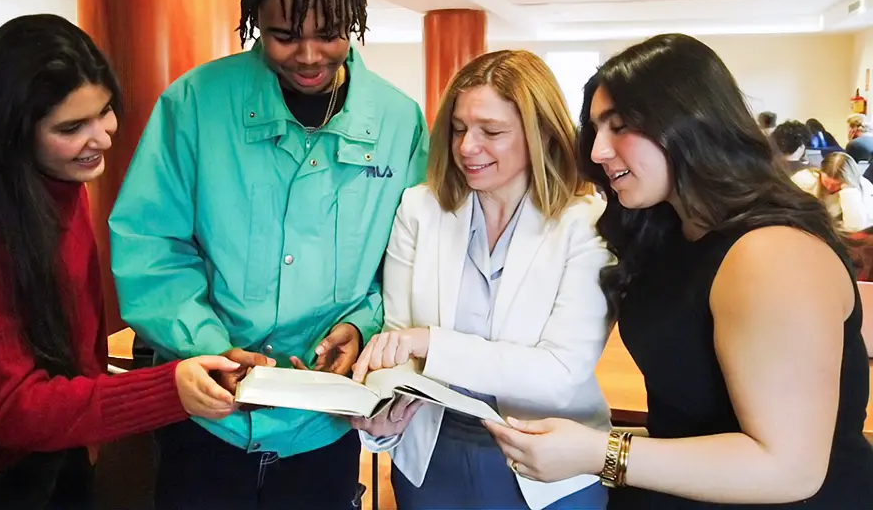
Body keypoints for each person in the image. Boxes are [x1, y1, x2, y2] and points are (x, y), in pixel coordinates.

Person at [108, 0, 428, 509]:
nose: (308, 56)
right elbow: (150, 245)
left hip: (324, 421)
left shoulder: (397, 122)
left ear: (354, 20)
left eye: (330, 34)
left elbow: (407, 263)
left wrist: (362, 324)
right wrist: (205, 343)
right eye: (283, 36)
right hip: (208, 417)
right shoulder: (195, 105)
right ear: (254, 19)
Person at [485, 34, 873, 508]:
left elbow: (789, 468)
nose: (598, 152)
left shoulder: (771, 253)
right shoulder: (671, 235)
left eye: (620, 126)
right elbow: (693, 420)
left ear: (691, 123)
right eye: (595, 130)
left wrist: (599, 453)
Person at [0, 15, 245, 508]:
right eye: (72, 127)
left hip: (54, 445)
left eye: (105, 111)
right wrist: (167, 389)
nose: (104, 138)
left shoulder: (59, 181)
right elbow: (11, 407)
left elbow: (77, 329)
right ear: (12, 131)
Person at [350, 50, 612, 510]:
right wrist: (381, 416)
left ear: (541, 135)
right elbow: (396, 338)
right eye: (458, 129)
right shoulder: (419, 209)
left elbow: (560, 374)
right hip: (431, 456)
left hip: (548, 465)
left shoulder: (586, 223)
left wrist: (431, 344)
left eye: (491, 132)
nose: (467, 146)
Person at [815, 151, 873, 232]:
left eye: (837, 184)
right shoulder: (808, 181)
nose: (830, 187)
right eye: (826, 182)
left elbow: (855, 227)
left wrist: (848, 192)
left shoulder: (865, 188)